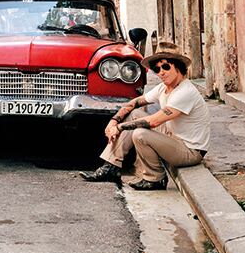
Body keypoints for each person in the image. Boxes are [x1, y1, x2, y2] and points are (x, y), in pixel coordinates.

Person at [80, 41, 210, 190]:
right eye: (157, 69)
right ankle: (111, 167)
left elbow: (153, 122)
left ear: (178, 67)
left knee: (140, 134)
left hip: (190, 151)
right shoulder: (164, 87)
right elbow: (135, 102)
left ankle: (155, 178)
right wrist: (113, 121)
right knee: (135, 113)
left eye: (166, 67)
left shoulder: (185, 92)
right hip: (173, 137)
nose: (161, 72)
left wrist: (119, 127)